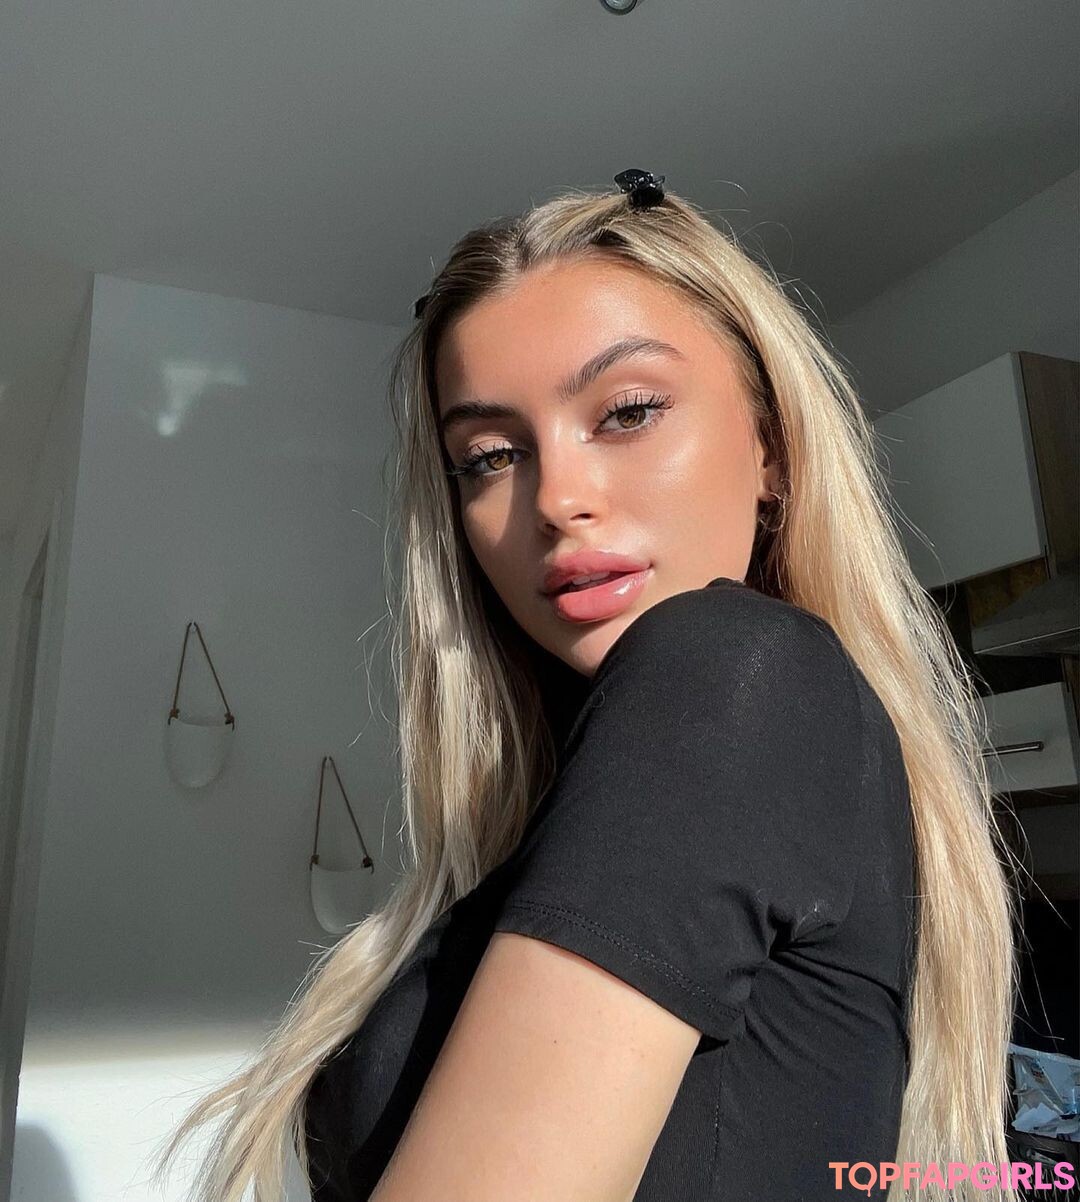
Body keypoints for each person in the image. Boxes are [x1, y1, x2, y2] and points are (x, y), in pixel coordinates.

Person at [152, 171, 1022, 1201]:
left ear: (773, 449)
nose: (556, 498)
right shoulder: (618, 789)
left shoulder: (729, 670)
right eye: (489, 456)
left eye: (629, 411)